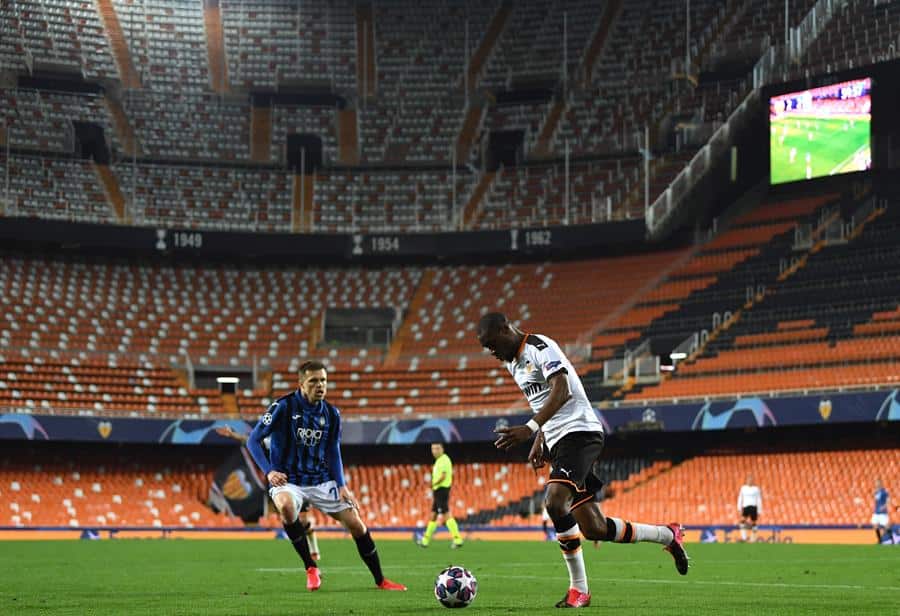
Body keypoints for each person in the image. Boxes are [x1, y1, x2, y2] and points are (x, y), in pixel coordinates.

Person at [478, 312, 688, 609]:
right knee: (594, 528)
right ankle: (667, 535)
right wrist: (542, 438)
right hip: (558, 440)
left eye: (491, 344)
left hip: (580, 432)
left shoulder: (539, 347)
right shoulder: (513, 363)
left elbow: (562, 390)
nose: (492, 352)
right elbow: (542, 399)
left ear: (504, 329)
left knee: (554, 502)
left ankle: (580, 590)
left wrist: (530, 429)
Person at [247, 360, 406, 592]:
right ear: (301, 383)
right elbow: (253, 439)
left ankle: (381, 580)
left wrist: (341, 485)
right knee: (286, 506)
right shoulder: (283, 407)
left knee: (357, 525)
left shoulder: (332, 414)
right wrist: (269, 471)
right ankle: (311, 568)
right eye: (313, 381)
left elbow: (333, 451)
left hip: (321, 480)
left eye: (323, 380)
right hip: (289, 480)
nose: (320, 385)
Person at [216, 424, 322, 562]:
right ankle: (306, 556)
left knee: (303, 521)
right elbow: (249, 439)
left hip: (299, 482)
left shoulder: (298, 437)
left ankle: (313, 547)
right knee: (290, 517)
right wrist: (232, 435)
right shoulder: (270, 440)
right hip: (279, 484)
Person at [417, 442, 464, 548]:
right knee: (433, 514)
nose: (435, 451)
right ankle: (425, 540)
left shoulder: (444, 460)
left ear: (442, 449)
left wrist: (433, 483)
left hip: (442, 489)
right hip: (438, 490)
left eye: (437, 448)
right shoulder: (439, 460)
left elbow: (443, 476)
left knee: (446, 514)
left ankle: (457, 539)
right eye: (433, 449)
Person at [737, 475, 762, 542]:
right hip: (746, 507)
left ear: (753, 481)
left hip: (753, 506)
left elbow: (759, 499)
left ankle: (753, 539)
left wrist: (759, 510)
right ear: (746, 481)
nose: (750, 481)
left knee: (753, 523)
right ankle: (744, 538)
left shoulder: (756, 489)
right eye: (748, 480)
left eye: (751, 480)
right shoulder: (743, 488)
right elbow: (740, 497)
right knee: (742, 521)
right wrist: (739, 507)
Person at [872, 479, 891, 544]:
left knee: (886, 526)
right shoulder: (876, 492)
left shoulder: (884, 491)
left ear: (881, 484)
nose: (876, 484)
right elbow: (876, 500)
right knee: (875, 525)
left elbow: (888, 501)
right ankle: (880, 540)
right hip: (876, 512)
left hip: (883, 512)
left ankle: (892, 539)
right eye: (876, 483)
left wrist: (884, 507)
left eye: (878, 483)